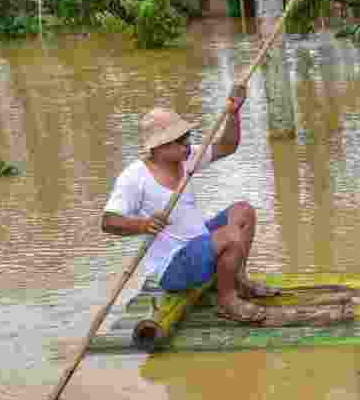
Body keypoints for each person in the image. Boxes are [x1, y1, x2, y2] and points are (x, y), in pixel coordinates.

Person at [101, 83, 276, 323]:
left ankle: (237, 279)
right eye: (180, 142)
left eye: (187, 140)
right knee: (230, 235)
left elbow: (227, 146)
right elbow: (109, 222)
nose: (187, 146)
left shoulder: (187, 158)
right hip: (174, 266)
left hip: (199, 242)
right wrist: (143, 225)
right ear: (159, 147)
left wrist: (234, 114)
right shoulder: (134, 177)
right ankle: (227, 301)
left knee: (243, 211)